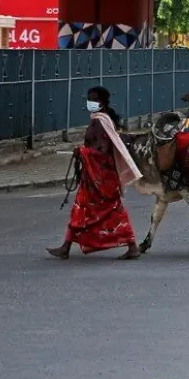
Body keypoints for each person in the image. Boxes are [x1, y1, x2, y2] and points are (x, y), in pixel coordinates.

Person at [47, 86, 142, 260]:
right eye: (89, 99)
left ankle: (132, 245)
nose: (91, 103)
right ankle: (66, 247)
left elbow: (103, 150)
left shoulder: (100, 121)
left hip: (102, 176)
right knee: (82, 208)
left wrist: (82, 152)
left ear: (103, 102)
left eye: (94, 99)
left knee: (110, 209)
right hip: (94, 175)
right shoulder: (99, 119)